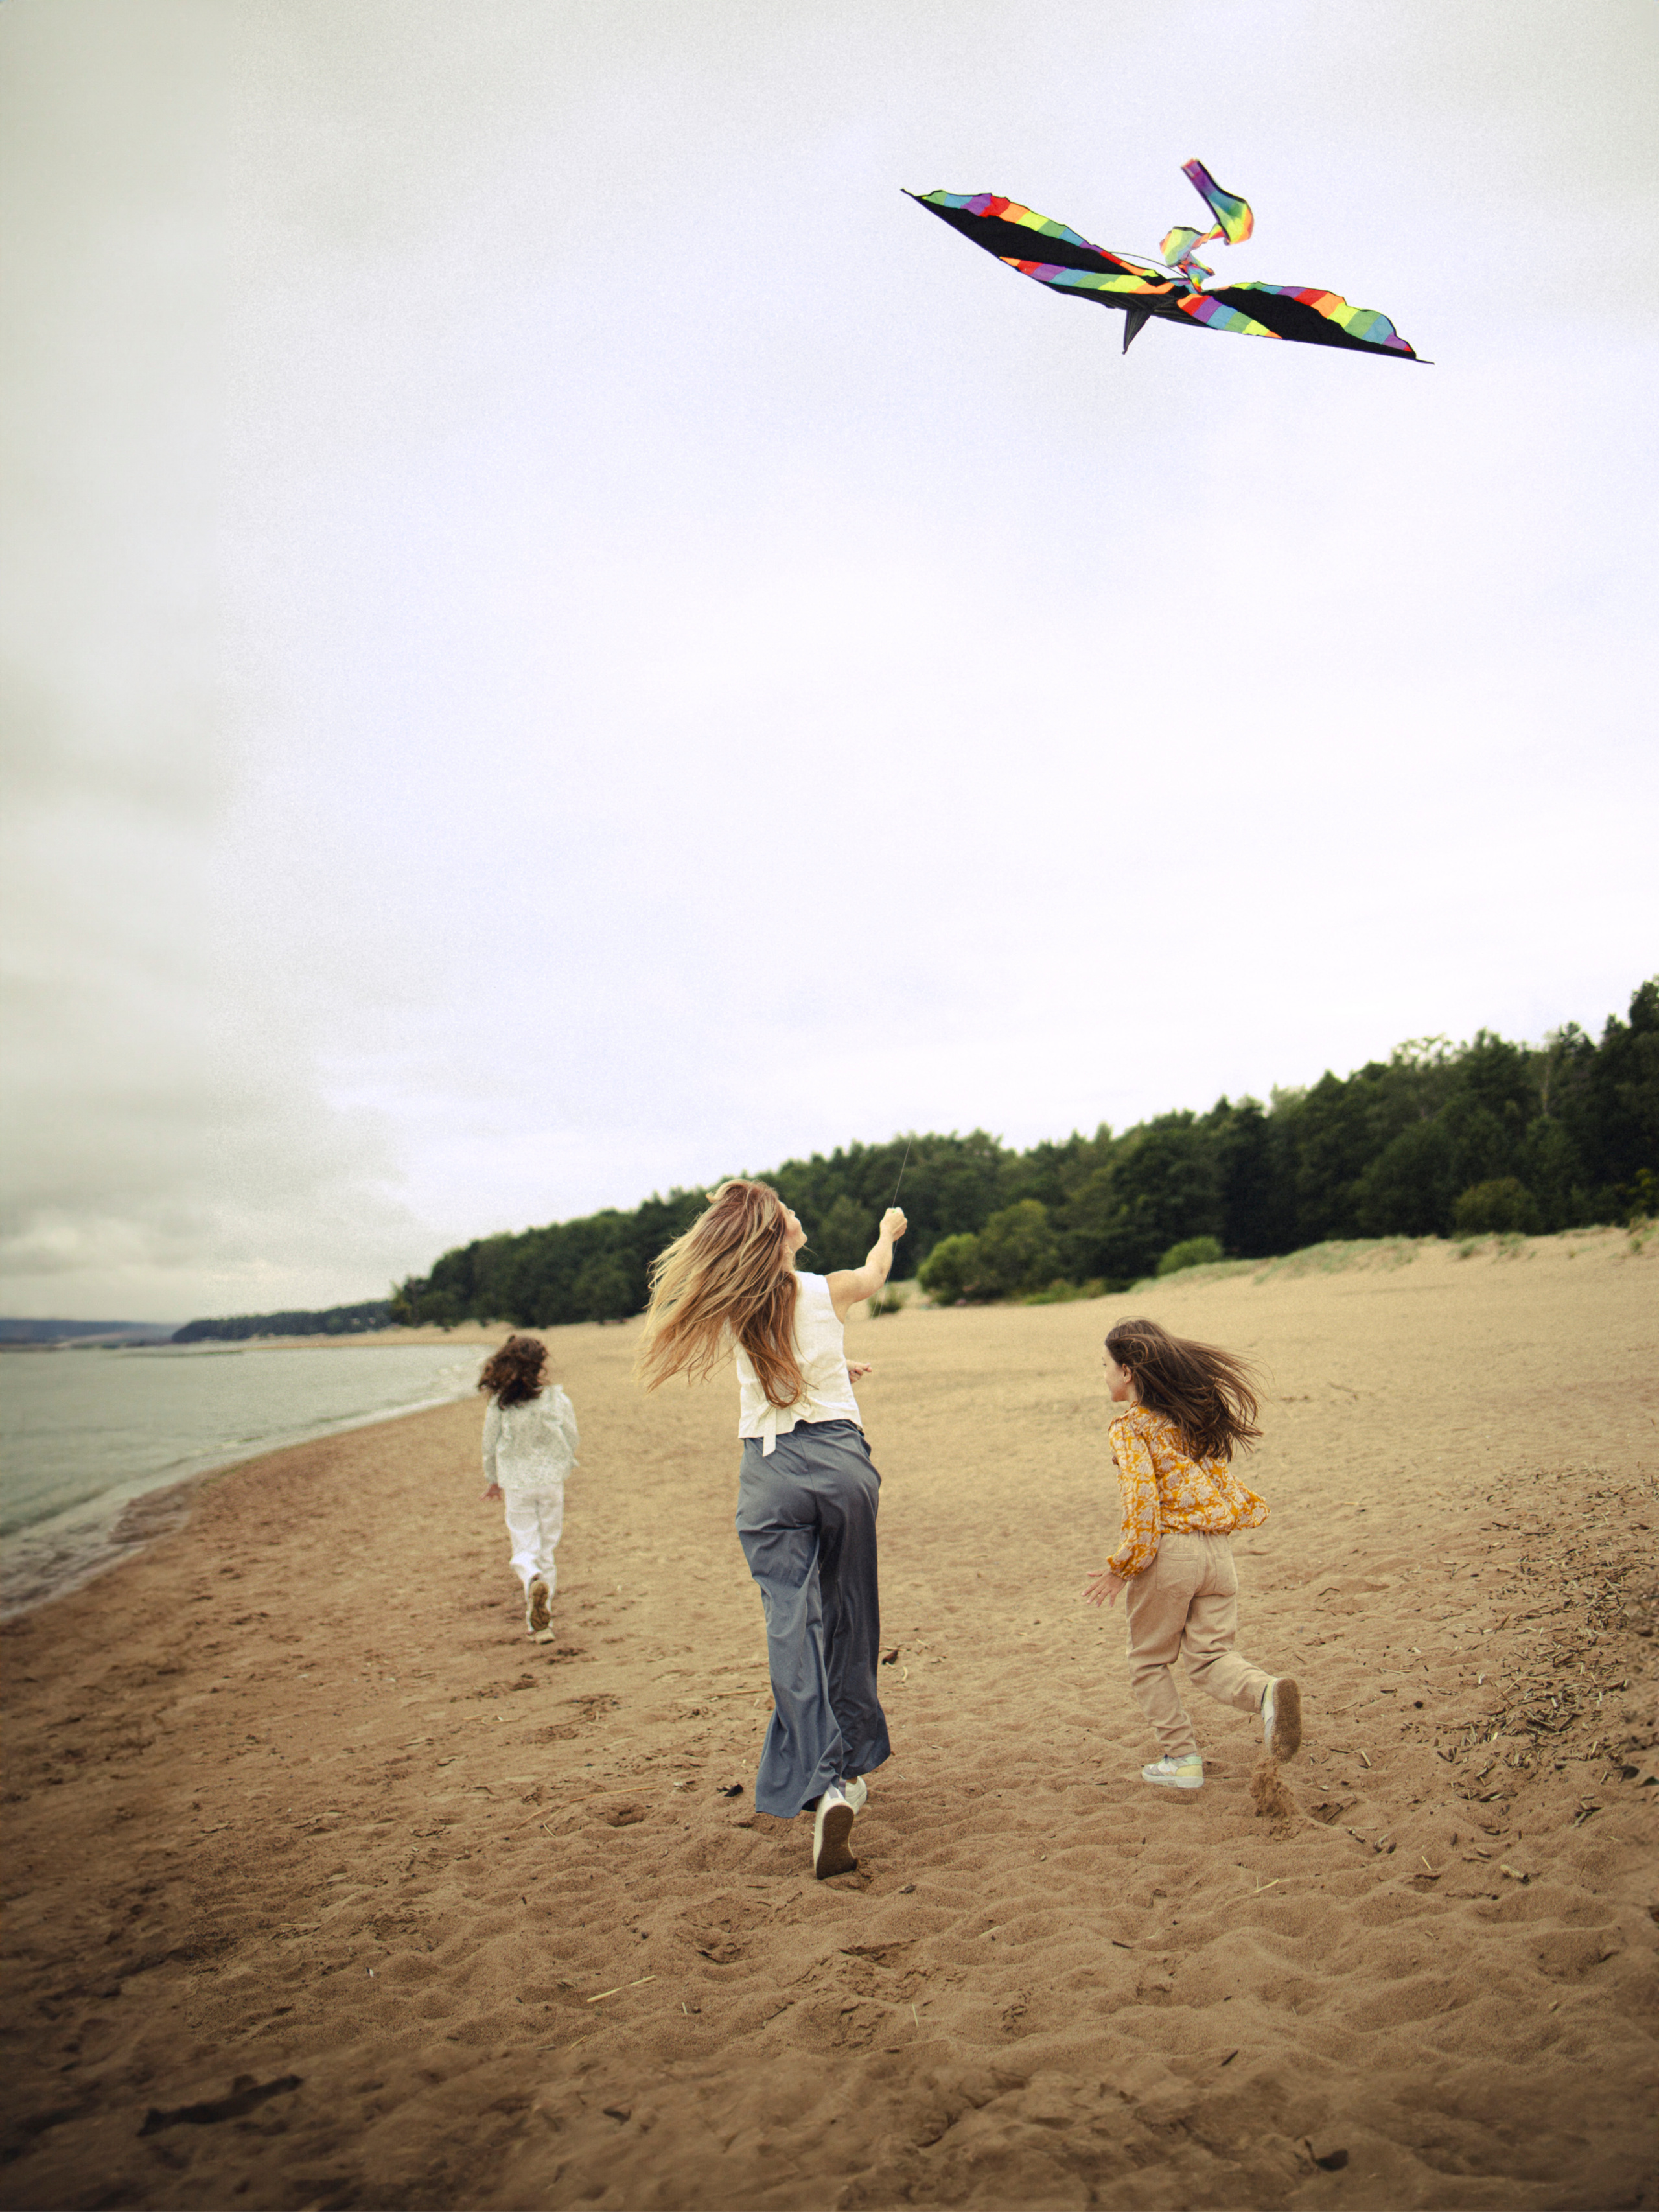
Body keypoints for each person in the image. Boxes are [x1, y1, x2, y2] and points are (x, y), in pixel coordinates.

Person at [636, 1180, 905, 1878]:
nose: (796, 1212)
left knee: (791, 1621)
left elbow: (780, 1364)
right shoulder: (827, 1288)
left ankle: (823, 1781)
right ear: (779, 1232)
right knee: (850, 1612)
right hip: (840, 1463)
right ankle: (849, 1767)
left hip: (770, 1472)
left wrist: (836, 1367)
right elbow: (876, 1273)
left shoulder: (737, 1302)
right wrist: (888, 1231)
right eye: (787, 1209)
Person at [1084, 1316, 1301, 1789]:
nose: (1103, 1374)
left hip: (1170, 1554)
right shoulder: (1188, 1419)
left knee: (1148, 1660)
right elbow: (1220, 1482)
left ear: (1128, 1372)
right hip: (1218, 1554)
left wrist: (1123, 1567)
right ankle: (1266, 1692)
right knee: (1211, 1656)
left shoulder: (1130, 1427)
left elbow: (1142, 1502)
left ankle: (1181, 1760)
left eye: (1105, 1365)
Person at [478, 1334, 579, 1642]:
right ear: (540, 1365)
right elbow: (572, 1435)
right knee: (547, 1550)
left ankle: (531, 1579)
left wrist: (492, 1480)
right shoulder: (556, 1398)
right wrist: (564, 1461)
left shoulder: (501, 1404)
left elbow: (489, 1446)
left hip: (517, 1483)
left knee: (525, 1548)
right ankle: (542, 1625)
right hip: (550, 1482)